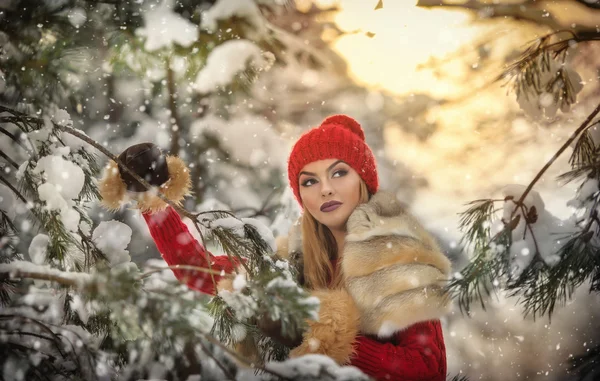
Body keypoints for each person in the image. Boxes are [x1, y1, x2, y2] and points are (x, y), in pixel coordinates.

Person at [98, 114, 452, 381]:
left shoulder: (401, 261)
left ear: (364, 180)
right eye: (310, 181)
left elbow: (427, 369)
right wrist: (151, 193)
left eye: (339, 173)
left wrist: (318, 336)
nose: (325, 189)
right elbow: (197, 269)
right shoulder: (291, 264)